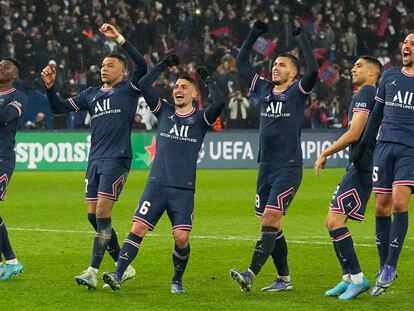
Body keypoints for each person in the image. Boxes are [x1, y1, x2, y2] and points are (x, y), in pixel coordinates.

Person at [102, 56, 225, 294]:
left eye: (184, 87)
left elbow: (219, 102)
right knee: (138, 228)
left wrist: (207, 79)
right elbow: (144, 85)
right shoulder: (164, 111)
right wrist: (162, 66)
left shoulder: (200, 119)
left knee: (181, 237)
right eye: (176, 86)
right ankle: (118, 274)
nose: (178, 90)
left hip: (183, 189)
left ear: (194, 95)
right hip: (156, 185)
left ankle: (177, 280)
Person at [40, 23, 147, 289]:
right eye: (102, 65)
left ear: (122, 72)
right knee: (93, 216)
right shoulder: (91, 95)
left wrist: (119, 38)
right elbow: (57, 109)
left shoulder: (130, 89)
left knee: (102, 213)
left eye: (110, 65)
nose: (103, 69)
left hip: (117, 159)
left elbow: (142, 64)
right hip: (94, 160)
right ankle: (126, 264)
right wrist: (50, 88)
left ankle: (92, 271)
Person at [230, 21, 318, 292]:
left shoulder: (297, 92)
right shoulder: (264, 89)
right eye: (275, 64)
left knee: (270, 220)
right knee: (272, 225)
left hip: (288, 167)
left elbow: (314, 69)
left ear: (293, 73)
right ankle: (285, 279)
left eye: (282, 65)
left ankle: (250, 274)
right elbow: (242, 63)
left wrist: (302, 38)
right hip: (265, 167)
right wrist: (253, 34)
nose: (276, 68)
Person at [314, 56, 382, 300]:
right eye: (353, 64)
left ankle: (358, 278)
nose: (353, 68)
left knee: (335, 222)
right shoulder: (369, 94)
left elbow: (354, 133)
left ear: (373, 74)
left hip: (362, 166)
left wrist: (325, 152)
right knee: (331, 221)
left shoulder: (367, 93)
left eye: (359, 65)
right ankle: (347, 278)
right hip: (360, 164)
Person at [354, 32, 414, 296]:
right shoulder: (389, 76)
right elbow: (376, 114)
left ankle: (390, 265)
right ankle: (383, 265)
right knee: (380, 208)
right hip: (384, 147)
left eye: (413, 43)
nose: (407, 46)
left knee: (400, 203)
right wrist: (364, 145)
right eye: (405, 42)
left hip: (410, 149)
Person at [0, 57, 26, 281]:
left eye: (6, 67)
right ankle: (10, 262)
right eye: (0, 65)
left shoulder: (18, 97)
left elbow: (4, 117)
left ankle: (11, 262)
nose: (1, 68)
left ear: (14, 75)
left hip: (2, 159)